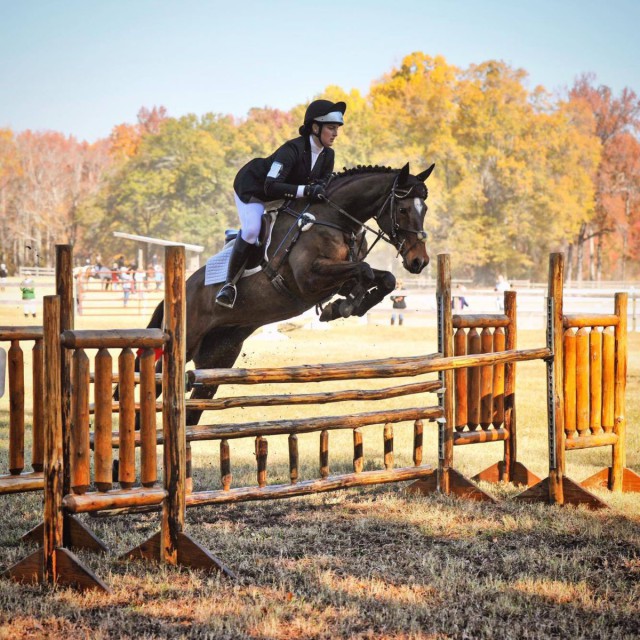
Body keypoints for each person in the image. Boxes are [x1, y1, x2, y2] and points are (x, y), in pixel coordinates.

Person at [215, 99, 347, 308]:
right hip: (255, 189)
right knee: (251, 230)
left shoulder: (328, 155)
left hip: (284, 195)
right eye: (331, 128)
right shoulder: (291, 150)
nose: (335, 133)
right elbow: (270, 186)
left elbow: (321, 183)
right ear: (315, 127)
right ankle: (228, 286)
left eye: (336, 128)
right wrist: (306, 190)